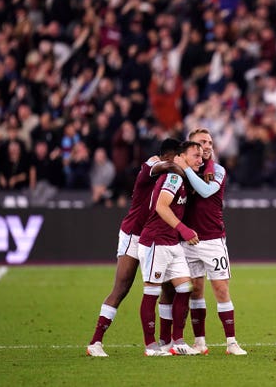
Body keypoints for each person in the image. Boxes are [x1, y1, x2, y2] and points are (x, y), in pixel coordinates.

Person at [86, 138, 183, 357]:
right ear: (171, 155)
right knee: (122, 288)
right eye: (180, 156)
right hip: (134, 235)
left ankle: (165, 342)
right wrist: (183, 168)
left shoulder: (173, 178)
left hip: (157, 237)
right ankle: (95, 342)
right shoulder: (154, 165)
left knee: (168, 288)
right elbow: (163, 165)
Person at [175, 128, 247, 356]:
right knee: (195, 290)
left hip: (213, 239)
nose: (207, 146)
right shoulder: (181, 168)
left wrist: (186, 168)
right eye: (201, 142)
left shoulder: (217, 170)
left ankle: (231, 342)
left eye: (210, 142)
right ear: (190, 146)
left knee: (221, 288)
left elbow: (206, 192)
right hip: (188, 240)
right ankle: (200, 342)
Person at [137, 141, 203, 357]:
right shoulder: (174, 178)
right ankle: (151, 346)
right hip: (156, 241)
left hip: (171, 242)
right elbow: (161, 206)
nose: (200, 161)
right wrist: (184, 229)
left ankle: (177, 341)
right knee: (152, 292)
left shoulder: (182, 179)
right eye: (195, 156)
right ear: (180, 157)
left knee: (185, 288)